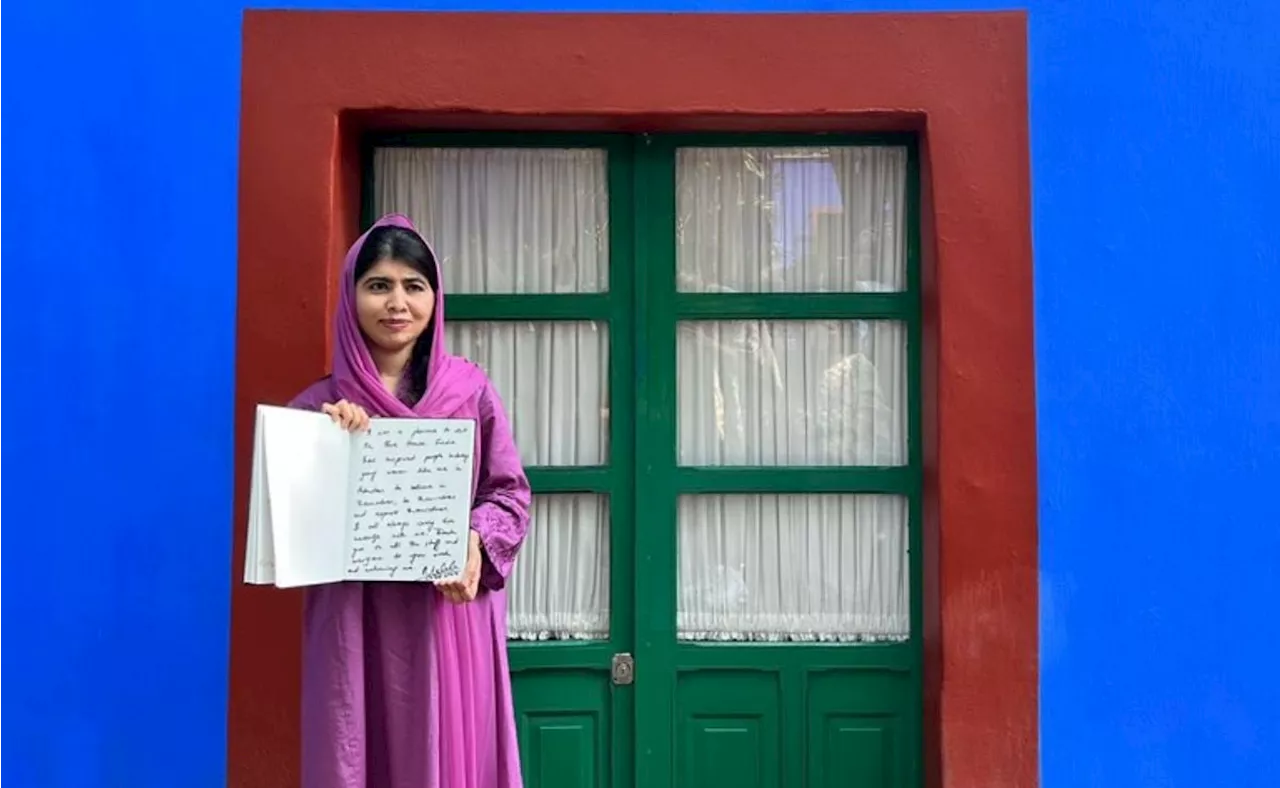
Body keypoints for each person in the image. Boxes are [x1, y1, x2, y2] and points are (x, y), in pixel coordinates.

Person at [287, 213, 531, 788]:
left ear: (434, 297)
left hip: (446, 619)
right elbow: (293, 531)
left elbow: (509, 494)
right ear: (351, 298)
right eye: (378, 286)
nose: (397, 303)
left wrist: (474, 541)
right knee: (356, 749)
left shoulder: (469, 391)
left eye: (413, 286)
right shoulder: (316, 411)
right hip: (356, 622)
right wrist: (330, 450)